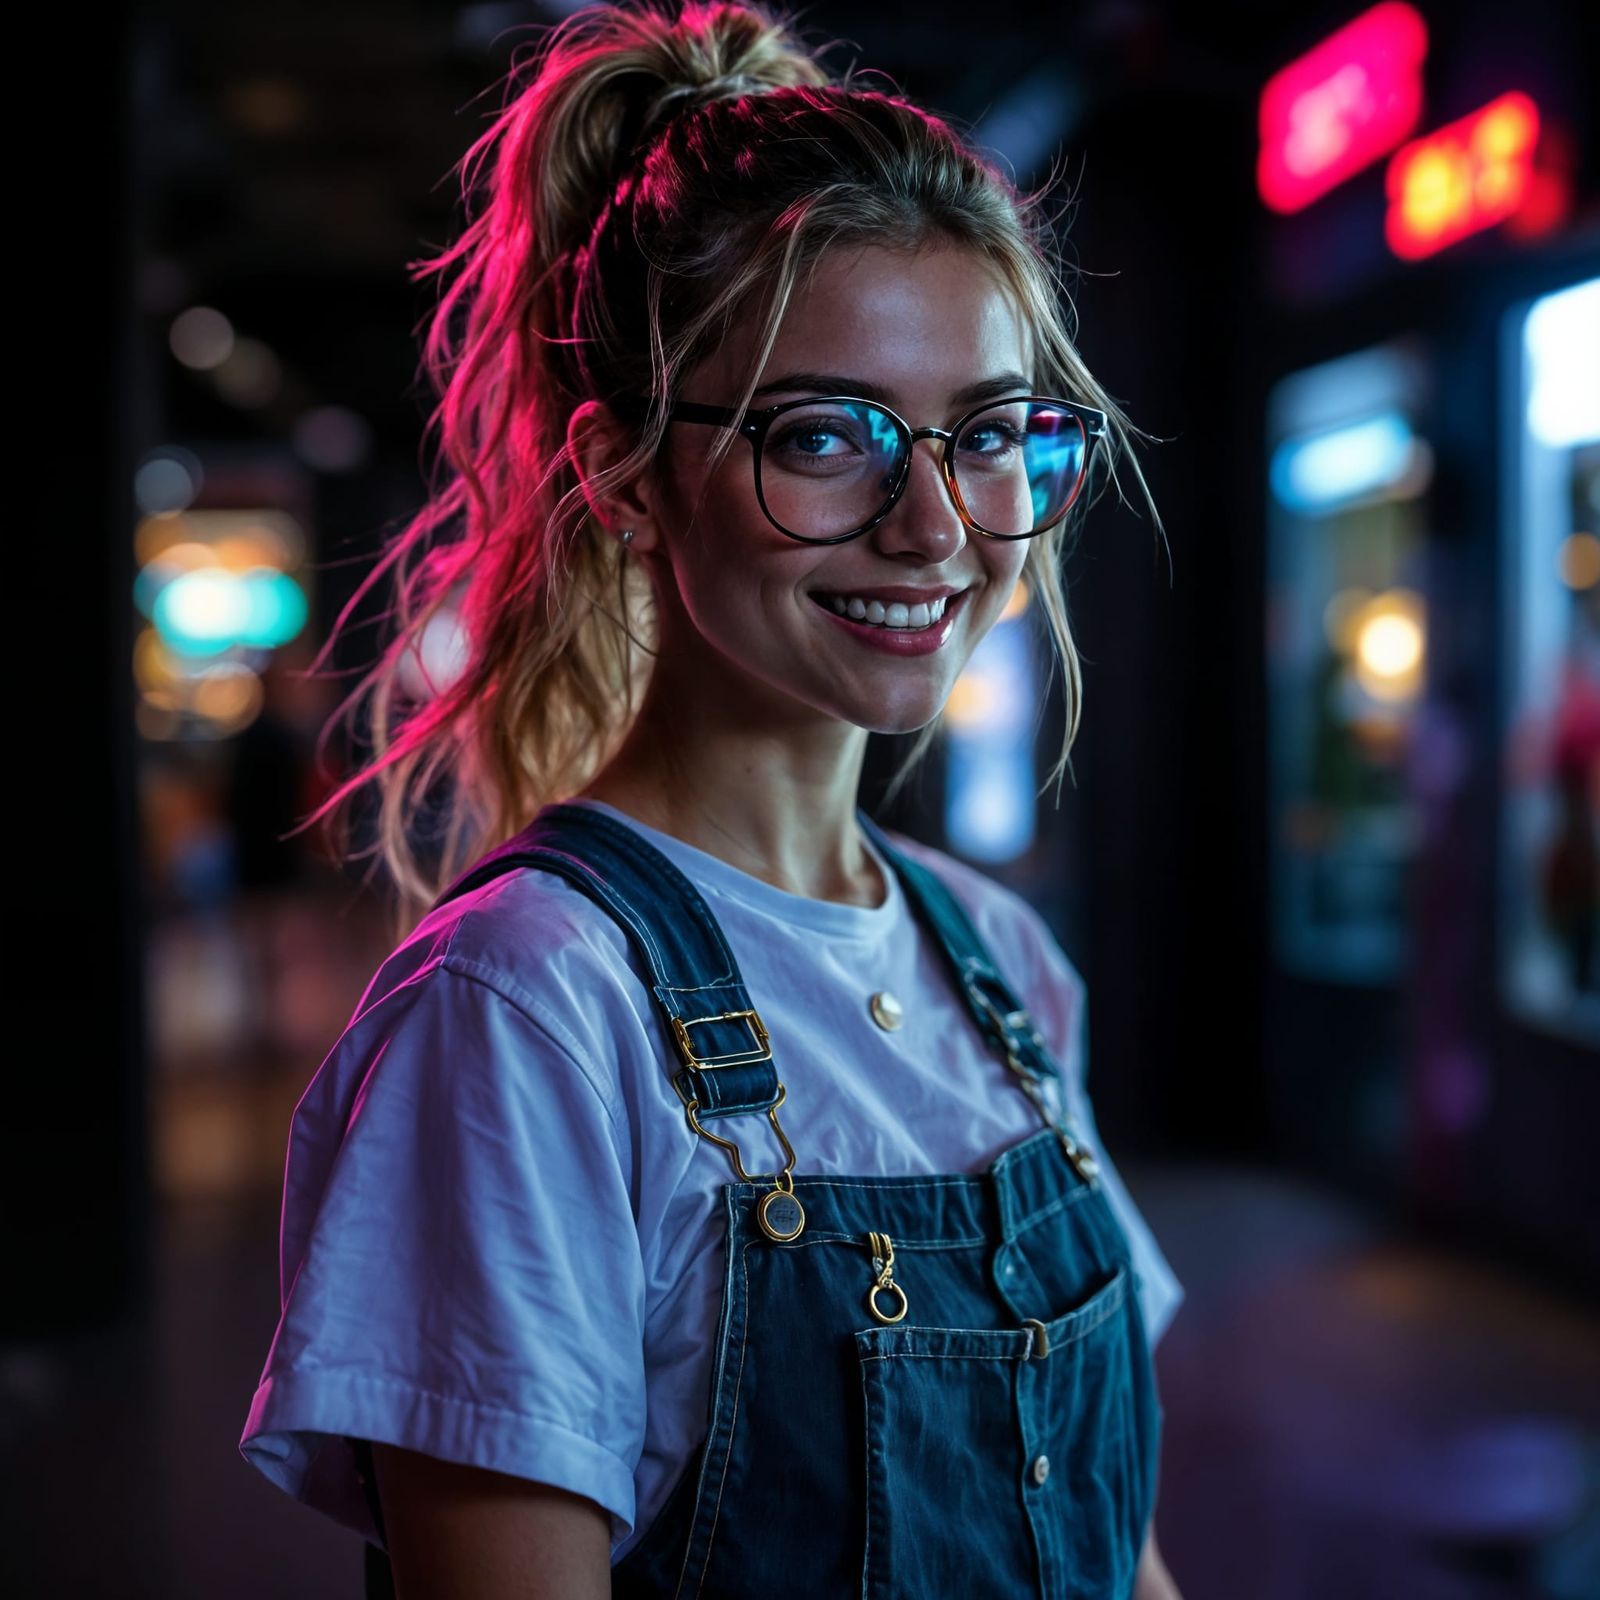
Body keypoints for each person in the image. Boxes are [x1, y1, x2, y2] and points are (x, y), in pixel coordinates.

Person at [237, 2, 1185, 1595]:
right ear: (622, 471)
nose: (936, 526)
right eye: (826, 436)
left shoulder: (1004, 964)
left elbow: (1119, 1550)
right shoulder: (528, 1008)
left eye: (989, 434)